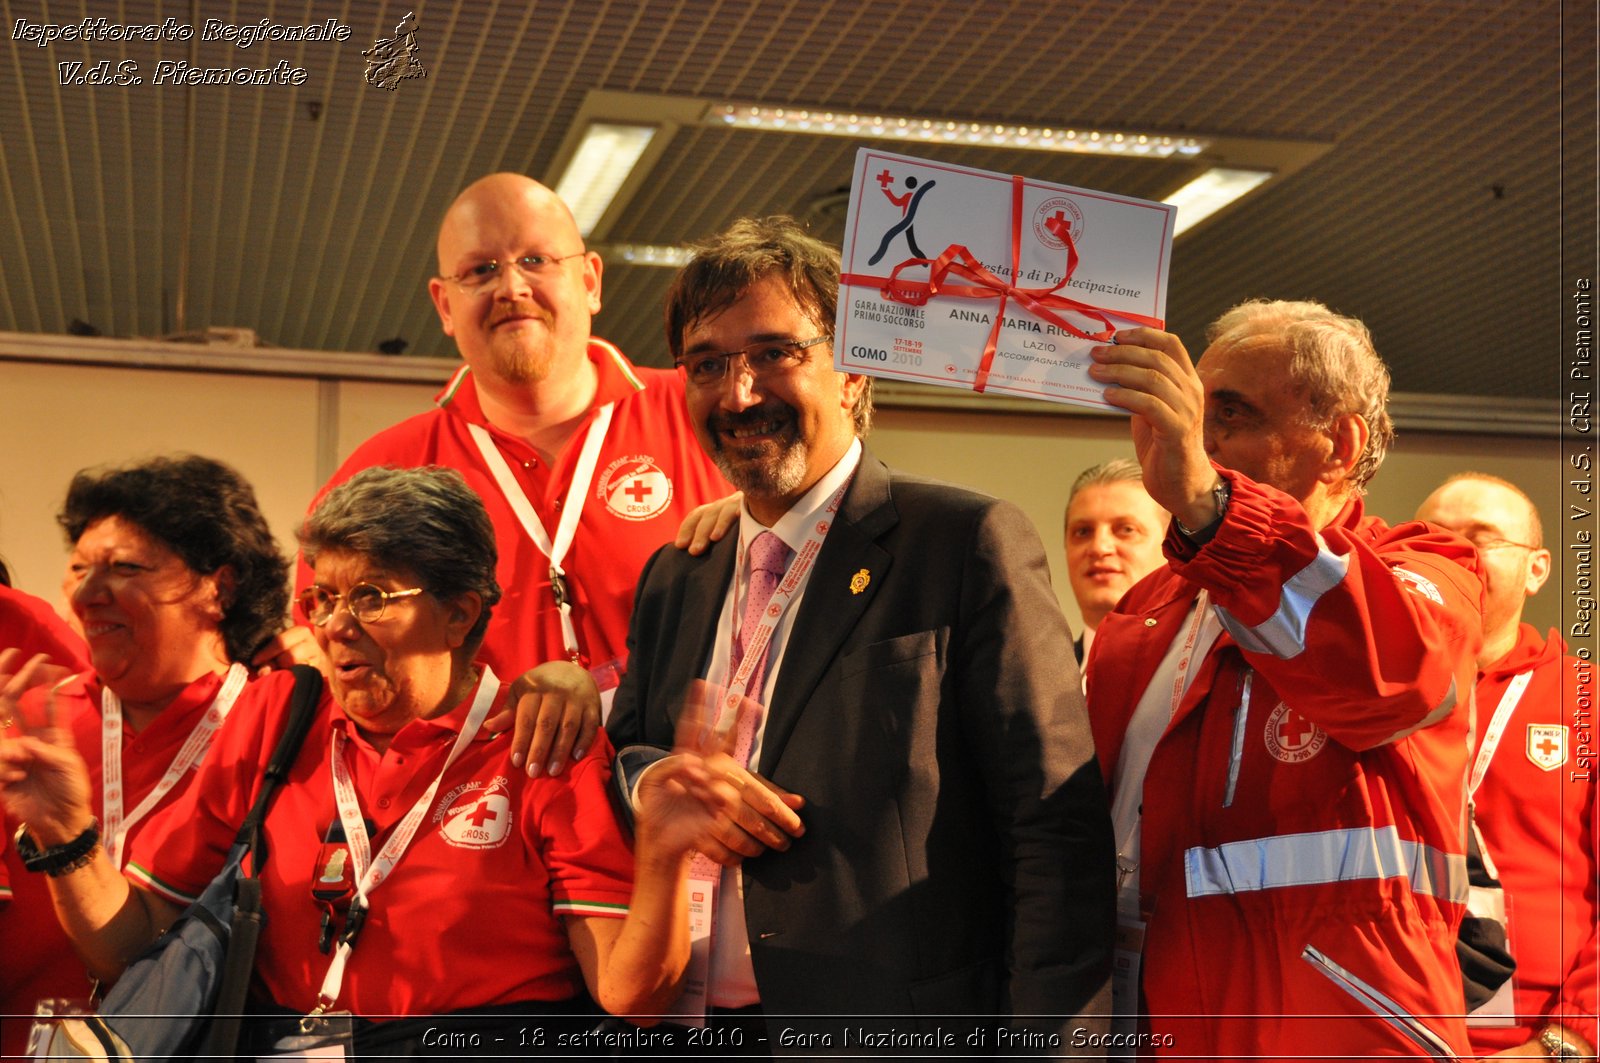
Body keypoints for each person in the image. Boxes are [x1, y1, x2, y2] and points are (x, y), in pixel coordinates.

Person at [607, 216, 1115, 1051]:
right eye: (708, 364)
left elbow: (1053, 833)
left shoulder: (962, 542)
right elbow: (629, 746)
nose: (739, 394)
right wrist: (660, 779)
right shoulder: (678, 575)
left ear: (852, 370)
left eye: (775, 352)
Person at [0, 466, 713, 1051]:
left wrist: (664, 856)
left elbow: (633, 996)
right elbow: (130, 946)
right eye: (323, 597)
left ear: (460, 612)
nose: (336, 625)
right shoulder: (279, 716)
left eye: (370, 596)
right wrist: (67, 835)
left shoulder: (538, 741)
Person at [1084, 300, 1483, 1057]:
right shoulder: (1147, 609)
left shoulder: (1429, 572)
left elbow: (1381, 673)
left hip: (1332, 1030)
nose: (1194, 439)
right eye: (1195, 412)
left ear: (1338, 443)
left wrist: (1209, 505)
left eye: (1228, 415)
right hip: (1153, 1019)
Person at [295, 173, 732, 774]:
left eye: (535, 259)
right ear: (444, 305)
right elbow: (330, 654)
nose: (511, 287)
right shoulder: (381, 473)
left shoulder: (709, 413)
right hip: (484, 824)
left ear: (590, 280)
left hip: (698, 798)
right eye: (479, 270)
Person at [0, 455, 288, 1058]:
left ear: (219, 586)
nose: (85, 592)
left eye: (124, 568)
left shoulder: (284, 727)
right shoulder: (29, 724)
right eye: (77, 567)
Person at [1416, 473, 1598, 1061]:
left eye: (1483, 538)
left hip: (1539, 1044)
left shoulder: (1586, 700)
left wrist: (1564, 1046)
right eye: (1433, 537)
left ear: (1537, 569)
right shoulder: (1367, 697)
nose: (1456, 555)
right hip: (1390, 1031)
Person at [1062, 458, 1168, 666]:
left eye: (1126, 529)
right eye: (1083, 531)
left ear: (1171, 545)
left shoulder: (1201, 671)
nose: (1099, 548)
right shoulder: (1036, 684)